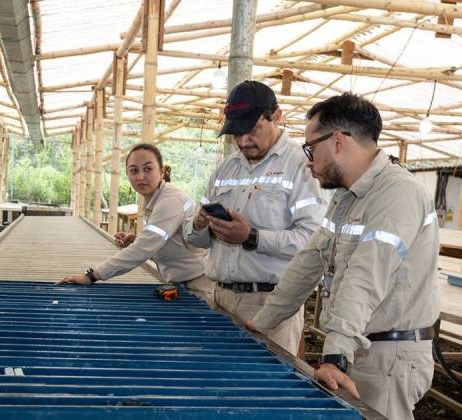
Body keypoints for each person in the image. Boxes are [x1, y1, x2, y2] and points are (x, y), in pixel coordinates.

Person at [249, 93, 438, 420]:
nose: (308, 160)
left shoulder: (397, 192)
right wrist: (260, 325)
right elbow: (309, 261)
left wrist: (335, 355)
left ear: (337, 141)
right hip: (362, 347)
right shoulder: (347, 198)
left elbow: (365, 276)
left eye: (311, 148)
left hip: (387, 357)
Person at [184, 80, 326, 355]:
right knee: (221, 383)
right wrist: (200, 225)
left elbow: (313, 242)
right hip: (221, 297)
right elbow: (195, 240)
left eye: (251, 130)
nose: (243, 141)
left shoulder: (302, 166)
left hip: (270, 303)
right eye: (236, 133)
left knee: (266, 390)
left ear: (276, 116)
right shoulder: (226, 168)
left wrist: (251, 237)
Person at [57, 143, 208, 297]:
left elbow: (141, 250)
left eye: (148, 169)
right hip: (181, 282)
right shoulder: (153, 199)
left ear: (162, 172)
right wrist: (136, 239)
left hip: (199, 283)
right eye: (134, 170)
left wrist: (92, 275)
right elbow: (158, 240)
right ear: (128, 174)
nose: (141, 176)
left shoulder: (170, 201)